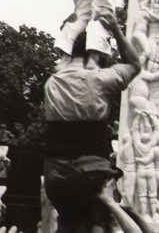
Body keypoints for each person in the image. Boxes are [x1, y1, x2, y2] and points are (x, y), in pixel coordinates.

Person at [44, 18, 141, 232]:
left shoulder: (52, 83)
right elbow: (135, 64)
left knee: (67, 223)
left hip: (56, 175)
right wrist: (115, 30)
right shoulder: (102, 79)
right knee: (101, 222)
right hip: (90, 171)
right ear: (95, 53)